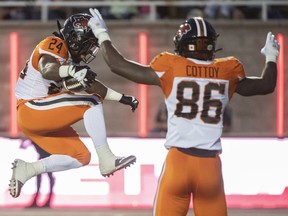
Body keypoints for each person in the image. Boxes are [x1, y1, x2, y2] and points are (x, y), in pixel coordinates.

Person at [87, 8, 280, 216]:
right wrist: (271, 56)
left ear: (181, 43)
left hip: (178, 162)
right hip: (210, 167)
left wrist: (101, 33)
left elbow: (117, 65)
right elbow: (266, 85)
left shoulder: (171, 65)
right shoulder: (228, 70)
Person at [9, 12, 139, 199]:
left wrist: (122, 98)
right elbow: (47, 70)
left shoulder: (70, 60)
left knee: (81, 157)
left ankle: (28, 169)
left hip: (39, 116)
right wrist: (71, 69)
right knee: (90, 102)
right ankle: (107, 158)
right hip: (31, 108)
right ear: (76, 38)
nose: (88, 52)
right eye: (88, 45)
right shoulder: (54, 43)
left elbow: (93, 87)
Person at [20, 139, 55, 208]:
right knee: (45, 178)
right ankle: (43, 199)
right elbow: (23, 145)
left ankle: (45, 199)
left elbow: (23, 145)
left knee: (47, 178)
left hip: (46, 158)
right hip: (45, 158)